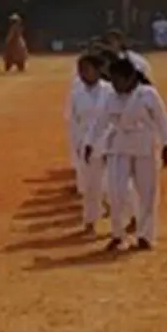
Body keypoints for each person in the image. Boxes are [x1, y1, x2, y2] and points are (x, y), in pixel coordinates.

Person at [98, 56, 167, 252]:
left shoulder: (148, 94)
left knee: (147, 193)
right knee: (115, 191)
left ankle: (145, 235)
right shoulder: (110, 97)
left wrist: (166, 144)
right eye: (112, 80)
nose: (114, 84)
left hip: (144, 147)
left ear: (130, 77)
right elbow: (100, 122)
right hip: (119, 147)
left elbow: (162, 120)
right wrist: (91, 143)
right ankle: (118, 233)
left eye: (117, 80)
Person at [68, 52, 113, 234]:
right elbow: (73, 122)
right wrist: (77, 146)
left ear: (97, 70)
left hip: (110, 143)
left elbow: (115, 119)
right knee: (90, 186)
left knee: (115, 185)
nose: (82, 73)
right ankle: (90, 221)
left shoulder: (110, 91)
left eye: (86, 69)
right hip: (86, 145)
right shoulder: (76, 93)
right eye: (80, 70)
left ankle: (129, 218)